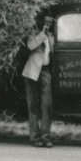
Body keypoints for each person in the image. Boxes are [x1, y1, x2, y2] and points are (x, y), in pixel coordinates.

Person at [23, 10, 54, 147]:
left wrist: (47, 35)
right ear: (41, 21)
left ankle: (46, 137)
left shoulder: (51, 36)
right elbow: (30, 46)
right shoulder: (34, 33)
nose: (48, 23)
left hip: (45, 71)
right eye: (46, 21)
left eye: (50, 22)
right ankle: (35, 138)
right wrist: (42, 33)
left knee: (47, 105)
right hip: (32, 71)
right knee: (33, 105)